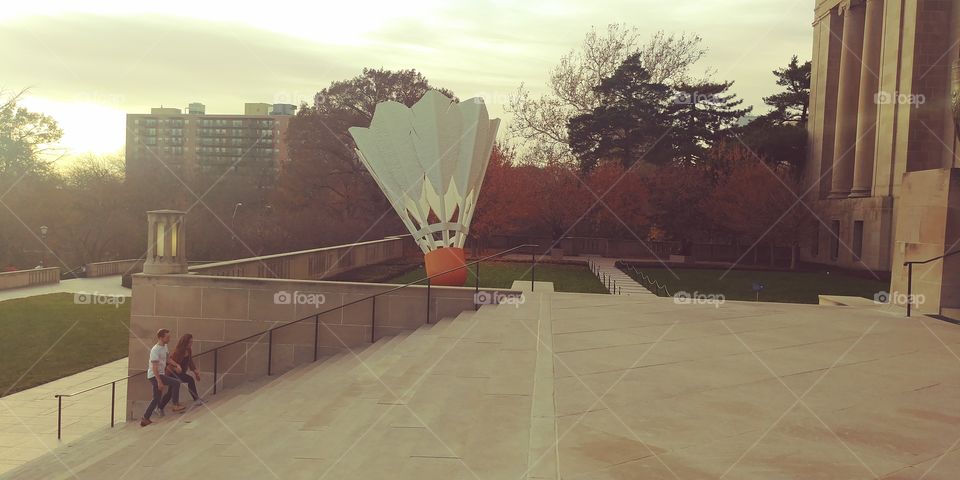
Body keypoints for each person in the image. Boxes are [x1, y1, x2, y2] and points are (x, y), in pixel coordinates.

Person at [140, 329, 185, 427]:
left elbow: (168, 359)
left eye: (169, 336)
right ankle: (175, 404)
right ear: (161, 337)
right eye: (167, 337)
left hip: (160, 374)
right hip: (155, 375)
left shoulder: (165, 346)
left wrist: (176, 365)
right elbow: (154, 367)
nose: (169, 339)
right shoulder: (155, 350)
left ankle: (145, 418)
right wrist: (159, 381)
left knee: (156, 398)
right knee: (176, 382)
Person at [168, 333, 204, 406]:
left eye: (192, 342)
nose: (191, 343)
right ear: (185, 342)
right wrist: (176, 367)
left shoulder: (189, 350)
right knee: (190, 380)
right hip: (173, 373)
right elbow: (169, 365)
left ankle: (161, 407)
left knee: (169, 392)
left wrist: (195, 371)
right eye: (190, 342)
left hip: (181, 373)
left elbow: (190, 361)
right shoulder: (178, 351)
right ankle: (196, 399)